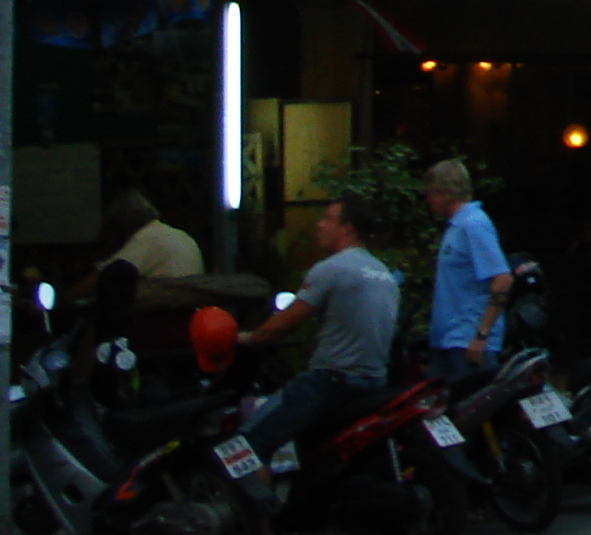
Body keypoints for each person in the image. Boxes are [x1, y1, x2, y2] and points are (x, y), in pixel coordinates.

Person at [236, 194, 402, 479]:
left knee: (247, 445)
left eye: (327, 219)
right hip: (374, 382)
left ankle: (260, 522)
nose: (319, 226)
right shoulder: (384, 274)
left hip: (330, 382)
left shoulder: (331, 269)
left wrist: (246, 338)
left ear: (347, 228)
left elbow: (281, 325)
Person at [423, 159, 514, 380]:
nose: (429, 201)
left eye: (431, 194)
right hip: (449, 339)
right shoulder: (456, 226)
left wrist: (481, 335)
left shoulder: (473, 224)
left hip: (466, 341)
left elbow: (502, 278)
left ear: (445, 192)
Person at [93, 189, 204, 284]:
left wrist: (75, 295)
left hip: (165, 303)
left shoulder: (147, 236)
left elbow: (104, 275)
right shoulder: (178, 234)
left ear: (125, 224)